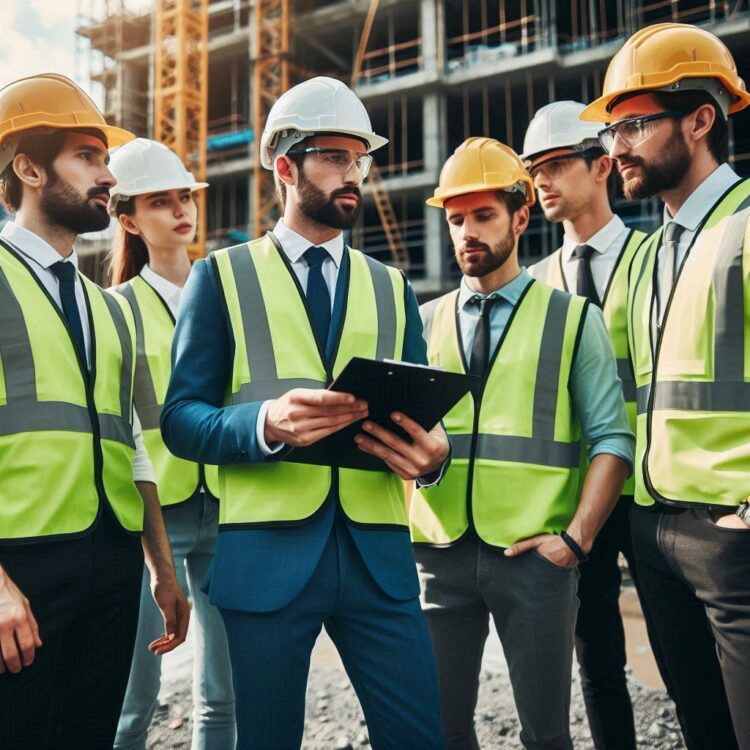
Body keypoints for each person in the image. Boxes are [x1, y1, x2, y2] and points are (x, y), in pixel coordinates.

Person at [160, 76, 448, 750]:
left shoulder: (392, 286)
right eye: (335, 157)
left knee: (419, 738)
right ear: (286, 166)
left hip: (378, 557)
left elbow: (424, 416)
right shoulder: (221, 277)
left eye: (360, 160)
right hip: (265, 560)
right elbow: (181, 419)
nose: (355, 175)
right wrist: (264, 424)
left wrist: (437, 458)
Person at [410, 137, 634, 750]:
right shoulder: (421, 322)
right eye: (456, 220)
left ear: (521, 216)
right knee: (442, 729)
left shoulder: (572, 318)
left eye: (483, 216)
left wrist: (575, 540)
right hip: (438, 554)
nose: (466, 234)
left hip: (535, 559)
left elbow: (614, 439)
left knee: (545, 734)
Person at [0, 74, 189, 750]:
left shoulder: (108, 309)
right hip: (19, 567)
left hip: (110, 564)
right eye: (87, 156)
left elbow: (131, 441)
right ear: (28, 168)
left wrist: (163, 573)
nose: (107, 175)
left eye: (104, 159)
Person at [581, 22, 750, 749]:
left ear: (701, 120)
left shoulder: (746, 227)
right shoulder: (648, 254)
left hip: (730, 533)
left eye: (633, 126)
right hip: (654, 531)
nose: (615, 147)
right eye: (613, 129)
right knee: (701, 729)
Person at [522, 101, 648, 750]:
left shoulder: (654, 260)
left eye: (554, 165)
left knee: (692, 658)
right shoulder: (538, 285)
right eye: (533, 170)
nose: (540, 181)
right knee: (598, 662)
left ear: (602, 166)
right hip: (581, 500)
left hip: (658, 496)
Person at [107, 137, 235, 750]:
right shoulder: (117, 308)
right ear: (129, 219)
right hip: (151, 514)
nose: (182, 210)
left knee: (222, 696)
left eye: (185, 196)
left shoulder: (228, 294)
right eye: (162, 201)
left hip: (230, 502)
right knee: (132, 698)